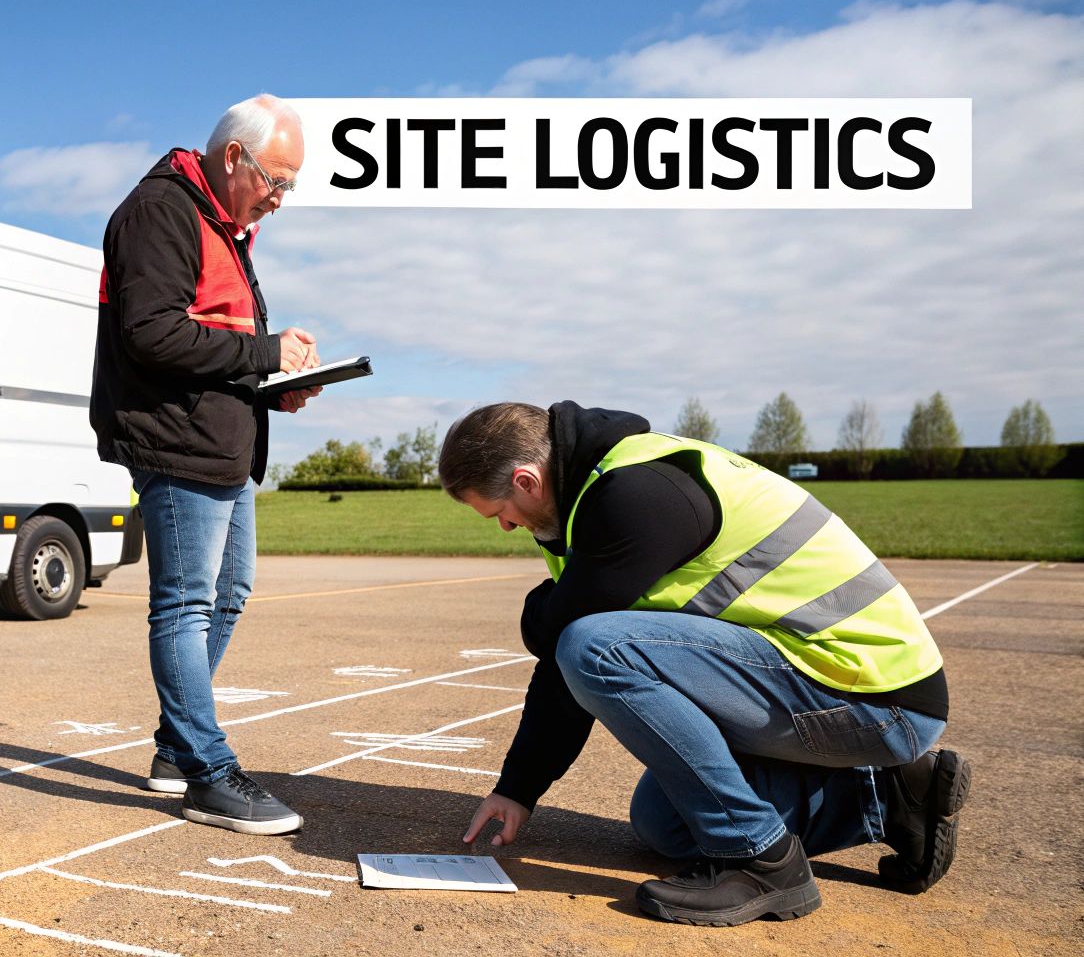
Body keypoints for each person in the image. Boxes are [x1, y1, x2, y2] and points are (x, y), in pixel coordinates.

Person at [439, 401, 969, 925]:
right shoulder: (591, 496)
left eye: (498, 513)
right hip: (828, 688)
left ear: (528, 481)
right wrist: (518, 787)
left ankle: (764, 863)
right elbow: (561, 646)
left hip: (871, 699)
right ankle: (886, 796)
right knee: (663, 825)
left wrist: (541, 612)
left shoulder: (635, 496)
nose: (506, 528)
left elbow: (567, 636)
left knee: (594, 646)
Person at [89, 94, 321, 835]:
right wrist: (263, 352)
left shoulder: (225, 225)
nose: (280, 201)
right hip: (175, 442)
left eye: (289, 187)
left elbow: (213, 344)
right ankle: (207, 772)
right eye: (276, 181)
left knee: (230, 592)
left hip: (221, 444)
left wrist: (272, 387)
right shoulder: (161, 212)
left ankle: (171, 747)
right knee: (187, 603)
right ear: (233, 159)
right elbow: (152, 334)